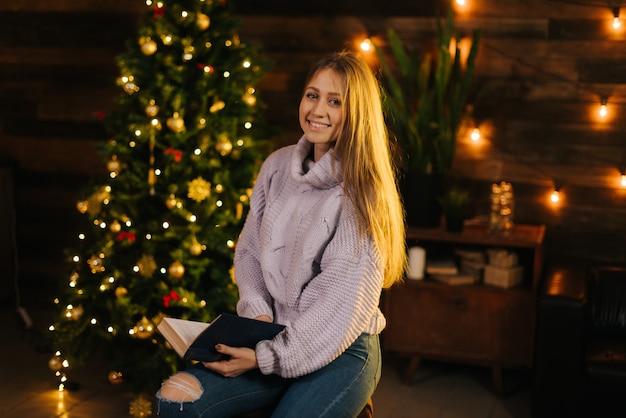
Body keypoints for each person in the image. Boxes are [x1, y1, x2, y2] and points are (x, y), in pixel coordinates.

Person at [156, 50, 407, 418]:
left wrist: (265, 356)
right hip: (271, 336)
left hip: (340, 349)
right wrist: (257, 319)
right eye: (312, 95)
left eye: (335, 101)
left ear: (358, 113)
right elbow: (250, 253)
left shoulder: (361, 191)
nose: (318, 110)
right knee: (174, 399)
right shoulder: (276, 166)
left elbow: (337, 305)